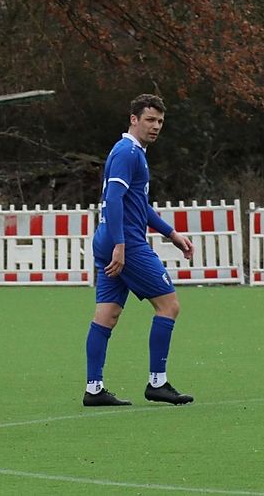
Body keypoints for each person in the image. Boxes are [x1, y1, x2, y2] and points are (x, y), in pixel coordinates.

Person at [83, 94, 195, 407]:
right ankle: (157, 382)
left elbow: (138, 204)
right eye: (149, 120)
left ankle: (94, 389)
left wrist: (171, 233)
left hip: (109, 239)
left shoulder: (133, 153)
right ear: (134, 119)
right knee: (169, 306)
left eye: (160, 121)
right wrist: (120, 245)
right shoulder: (127, 152)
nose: (155, 126)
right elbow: (113, 199)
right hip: (126, 243)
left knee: (107, 314)